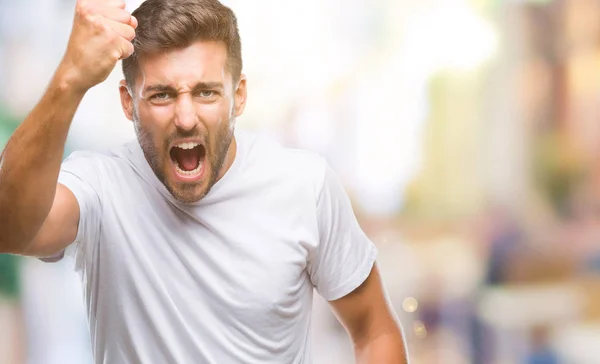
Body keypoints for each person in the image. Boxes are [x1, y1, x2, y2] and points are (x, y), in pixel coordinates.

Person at [0, 0, 408, 362]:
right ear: (128, 102)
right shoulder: (99, 187)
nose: (186, 117)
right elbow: (9, 229)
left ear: (240, 95)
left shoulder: (305, 185)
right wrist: (70, 79)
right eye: (161, 94)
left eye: (206, 93)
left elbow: (374, 329)